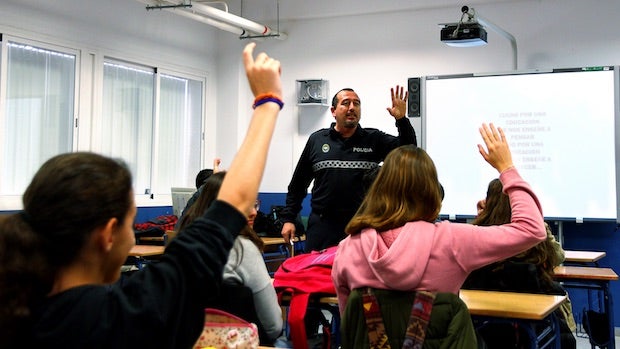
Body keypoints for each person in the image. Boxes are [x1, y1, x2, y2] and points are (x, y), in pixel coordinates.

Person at [0, 42, 282, 348]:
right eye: (129, 223)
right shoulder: (134, 311)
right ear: (108, 234)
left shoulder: (15, 309)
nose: (132, 238)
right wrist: (268, 101)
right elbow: (233, 202)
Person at [331, 123, 547, 315]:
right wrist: (507, 168)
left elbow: (349, 324)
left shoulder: (348, 249)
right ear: (432, 192)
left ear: (379, 189)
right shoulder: (452, 240)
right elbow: (532, 229)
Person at [279, 86, 417, 252]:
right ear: (333, 111)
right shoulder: (317, 140)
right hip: (323, 227)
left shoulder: (373, 139)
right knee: (316, 274)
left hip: (362, 227)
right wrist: (289, 219)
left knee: (360, 277)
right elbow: (298, 185)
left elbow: (408, 150)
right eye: (346, 103)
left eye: (356, 104)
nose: (352, 107)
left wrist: (401, 120)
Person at [463, 178, 576, 348]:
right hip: (534, 321)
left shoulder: (477, 232)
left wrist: (479, 219)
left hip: (484, 323)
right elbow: (559, 256)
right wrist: (537, 220)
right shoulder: (532, 233)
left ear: (489, 200)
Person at [177, 171, 283, 344]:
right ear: (222, 208)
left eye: (254, 204)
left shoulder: (182, 247)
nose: (254, 212)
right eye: (244, 204)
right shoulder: (243, 249)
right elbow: (273, 327)